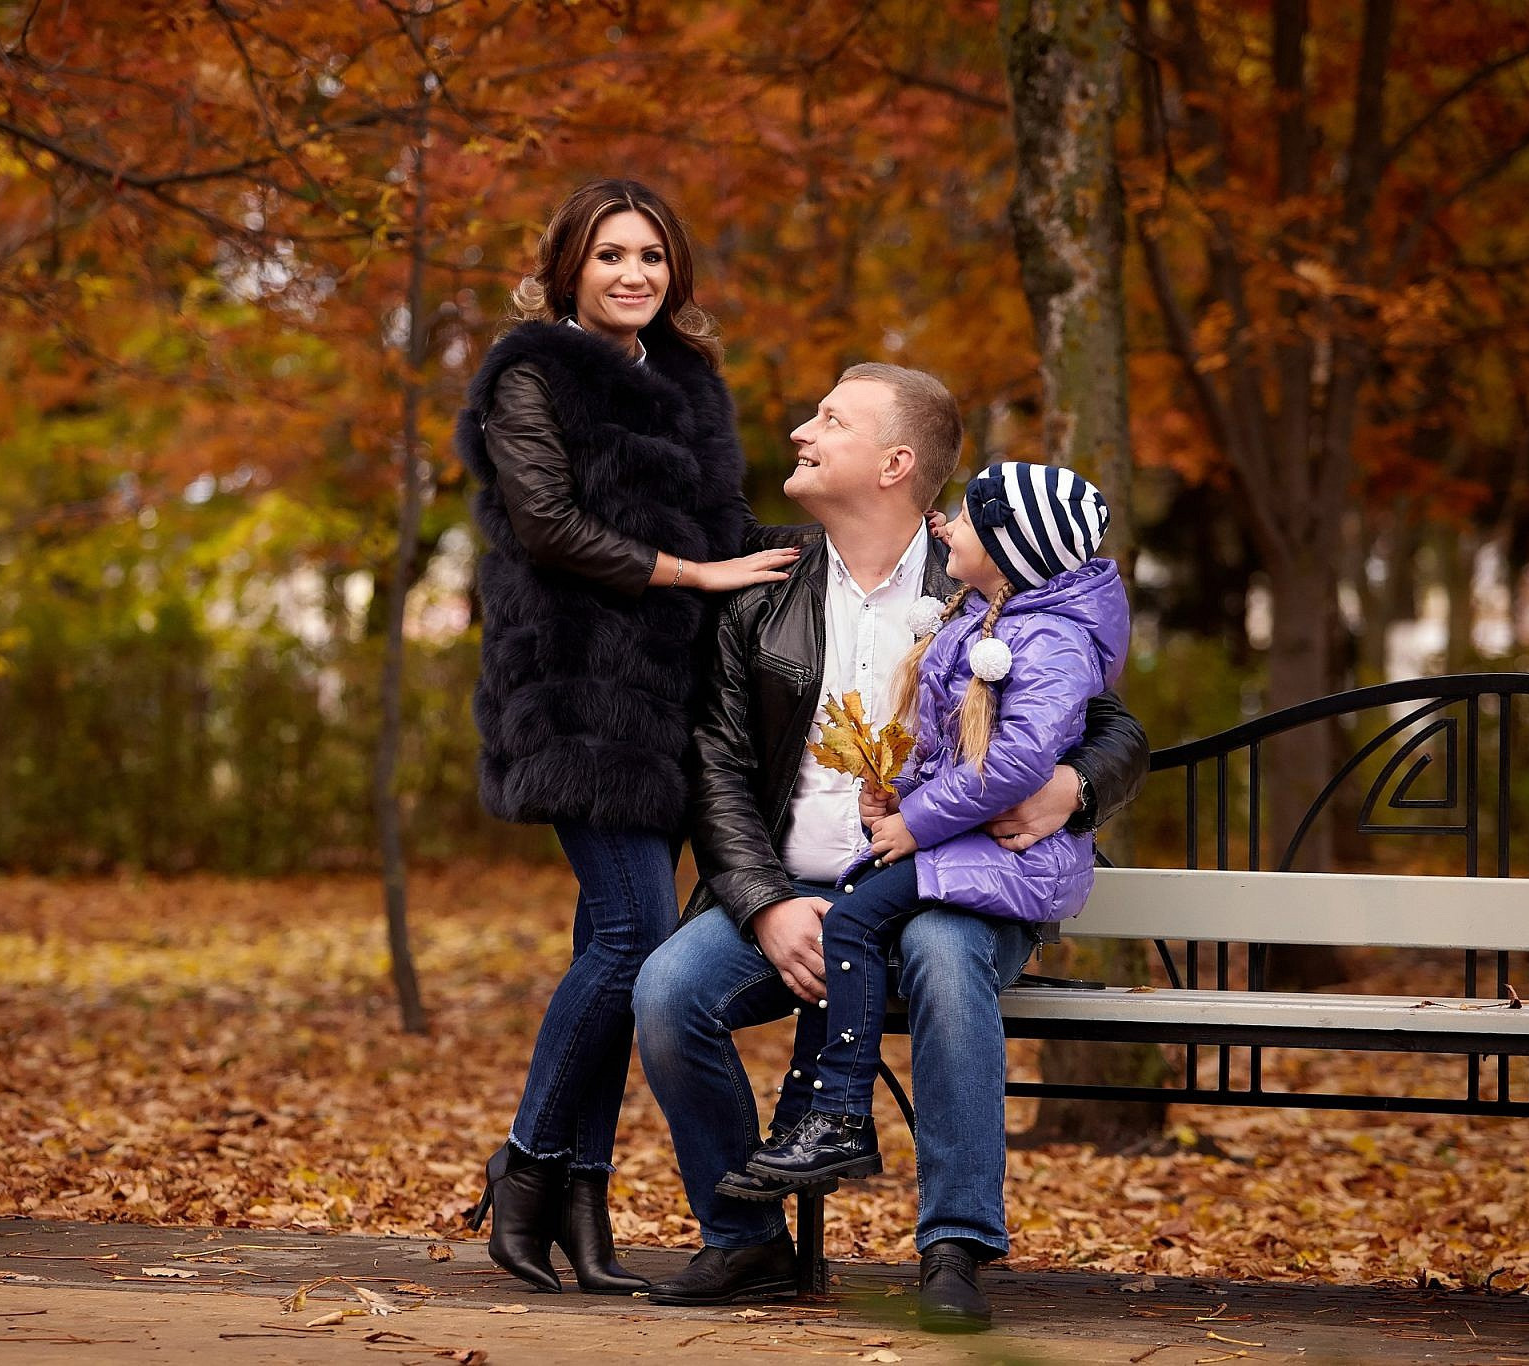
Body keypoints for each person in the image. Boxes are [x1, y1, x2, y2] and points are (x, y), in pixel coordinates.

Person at [631, 364, 1148, 1329]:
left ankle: (954, 1247)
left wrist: (1076, 789)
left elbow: (1108, 724)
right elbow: (718, 762)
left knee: (948, 964)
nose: (799, 429)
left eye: (830, 418)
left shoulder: (982, 575)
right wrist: (762, 899)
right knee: (665, 994)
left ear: (895, 463)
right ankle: (746, 1244)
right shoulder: (766, 586)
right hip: (792, 885)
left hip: (946, 887)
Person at [456, 177, 801, 1296]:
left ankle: (578, 1194)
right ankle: (526, 1165)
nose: (632, 274)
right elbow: (547, 525)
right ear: (570, 266)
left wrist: (845, 543)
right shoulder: (530, 372)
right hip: (574, 691)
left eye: (650, 255)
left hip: (669, 701)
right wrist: (692, 573)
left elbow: (726, 528)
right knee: (632, 942)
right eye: (610, 255)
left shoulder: (691, 382)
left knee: (604, 944)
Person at [746, 462, 1128, 1198]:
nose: (947, 524)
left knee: (859, 923)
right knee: (854, 920)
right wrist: (895, 798)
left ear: (1012, 550)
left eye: (968, 517)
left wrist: (916, 824)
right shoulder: (976, 617)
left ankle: (839, 1120)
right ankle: (822, 1119)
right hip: (956, 853)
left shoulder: (1043, 641)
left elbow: (1013, 761)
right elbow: (949, 745)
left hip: (996, 865)